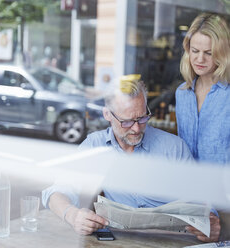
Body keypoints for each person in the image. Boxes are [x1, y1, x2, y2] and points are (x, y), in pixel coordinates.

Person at [42, 74, 221, 242]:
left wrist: (211, 223)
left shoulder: (173, 147)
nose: (136, 129)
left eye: (142, 118)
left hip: (170, 241)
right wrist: (72, 215)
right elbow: (57, 191)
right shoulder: (95, 146)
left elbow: (203, 198)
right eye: (126, 122)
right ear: (107, 115)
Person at [176, 13, 230, 164]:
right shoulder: (182, 93)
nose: (200, 59)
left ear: (222, 54)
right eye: (195, 51)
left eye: (209, 53)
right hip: (188, 183)